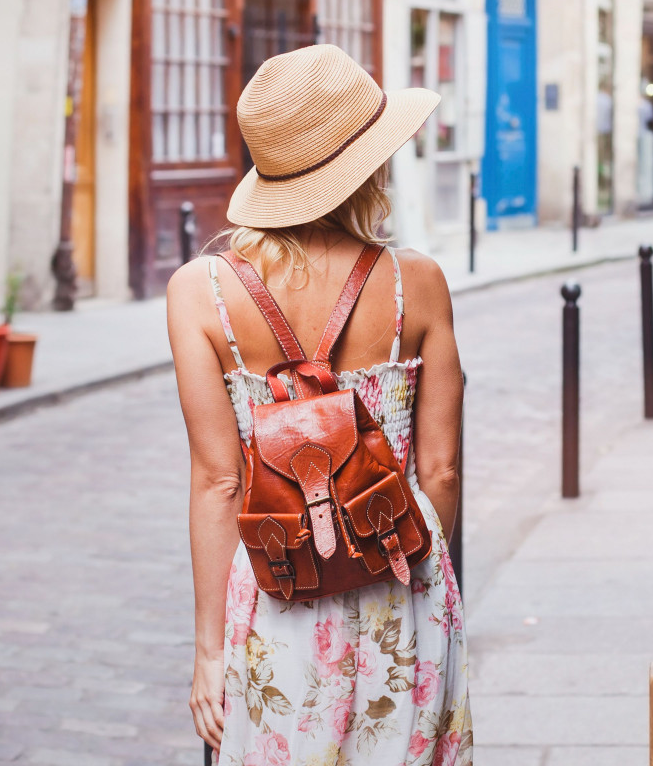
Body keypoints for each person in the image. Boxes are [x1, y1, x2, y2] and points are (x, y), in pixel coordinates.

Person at [166, 45, 472, 765]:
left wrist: (209, 651)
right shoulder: (416, 283)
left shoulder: (199, 291)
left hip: (278, 591)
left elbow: (217, 481)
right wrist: (413, 573)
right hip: (402, 579)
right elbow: (443, 469)